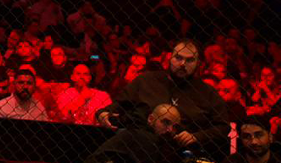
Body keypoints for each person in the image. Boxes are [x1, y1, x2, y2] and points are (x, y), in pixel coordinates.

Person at [97, 39, 228, 152]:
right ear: (170, 57)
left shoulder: (207, 93)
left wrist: (197, 137)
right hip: (138, 145)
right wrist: (103, 113)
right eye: (178, 58)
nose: (182, 64)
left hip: (181, 151)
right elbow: (118, 105)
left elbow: (223, 127)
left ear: (198, 63)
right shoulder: (146, 80)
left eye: (190, 60)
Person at [77, 103, 186, 163]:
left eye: (175, 126)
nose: (170, 129)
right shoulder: (139, 137)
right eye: (166, 122)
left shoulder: (168, 146)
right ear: (151, 119)